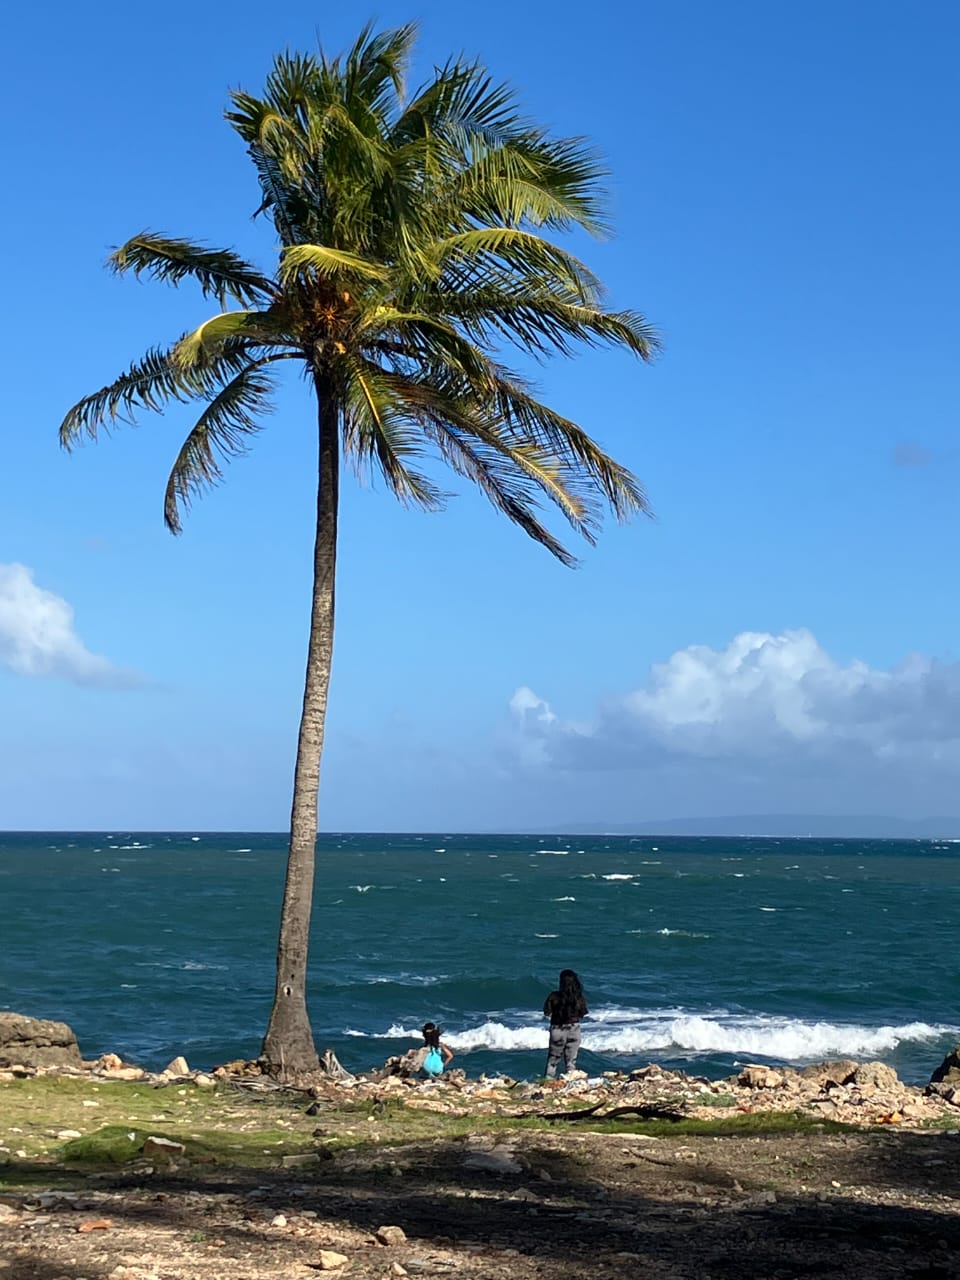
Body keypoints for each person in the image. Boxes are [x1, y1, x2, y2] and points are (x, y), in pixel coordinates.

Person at [543, 969, 588, 1078]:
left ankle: (548, 1082)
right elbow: (583, 1013)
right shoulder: (579, 998)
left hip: (557, 1029)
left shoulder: (554, 996)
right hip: (574, 1029)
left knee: (553, 1060)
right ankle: (570, 1082)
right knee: (571, 1062)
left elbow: (546, 1012)